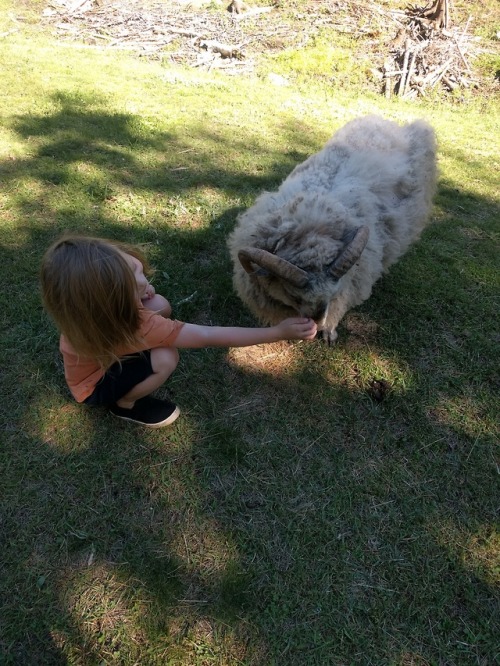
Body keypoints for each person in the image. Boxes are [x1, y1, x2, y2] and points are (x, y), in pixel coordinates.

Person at [40, 235, 317, 428]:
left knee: (159, 303)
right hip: (93, 387)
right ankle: (124, 405)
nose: (145, 279)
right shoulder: (141, 326)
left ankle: (128, 370)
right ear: (116, 303)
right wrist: (277, 332)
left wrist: (138, 296)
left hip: (103, 356)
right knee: (166, 357)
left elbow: (148, 306)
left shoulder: (81, 312)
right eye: (137, 280)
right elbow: (209, 336)